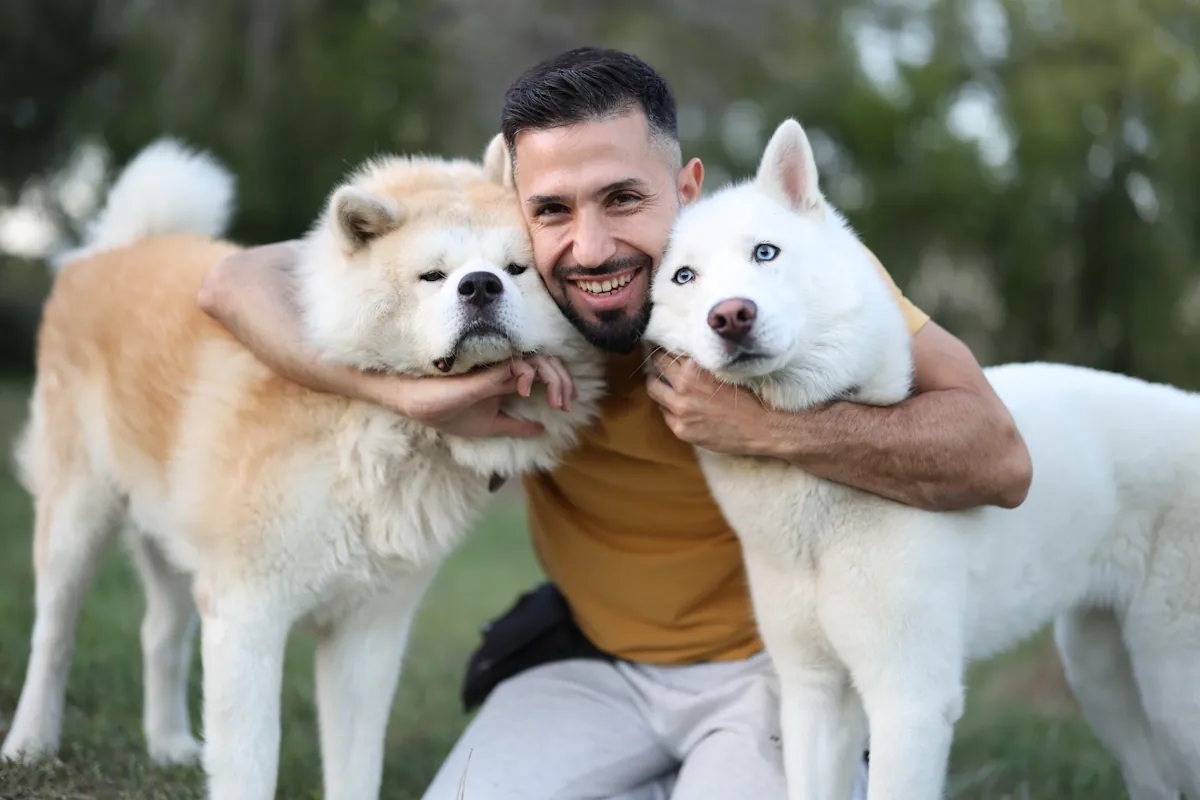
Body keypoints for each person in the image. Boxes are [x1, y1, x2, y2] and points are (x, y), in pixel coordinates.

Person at [197, 46, 1032, 800]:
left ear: (688, 188)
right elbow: (234, 281)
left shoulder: (778, 276)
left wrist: (770, 431)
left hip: (773, 670)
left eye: (624, 199)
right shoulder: (506, 284)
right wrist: (405, 396)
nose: (590, 248)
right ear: (518, 211)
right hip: (591, 662)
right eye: (553, 210)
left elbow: (999, 459)